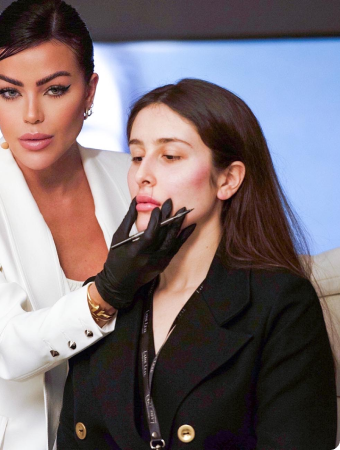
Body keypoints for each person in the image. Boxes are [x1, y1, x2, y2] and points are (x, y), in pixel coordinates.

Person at [0, 0, 190, 450]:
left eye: (54, 89)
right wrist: (106, 294)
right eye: (9, 91)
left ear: (90, 91)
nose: (31, 115)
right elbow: (7, 348)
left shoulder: (132, 176)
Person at [57, 78, 337, 449]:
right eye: (137, 156)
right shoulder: (107, 299)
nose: (142, 175)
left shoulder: (279, 301)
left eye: (170, 156)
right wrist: (108, 287)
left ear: (228, 179)